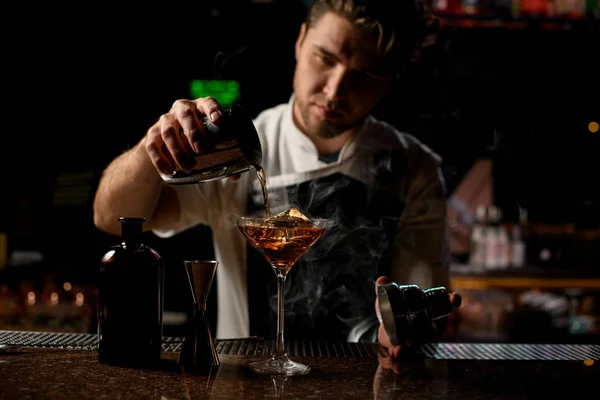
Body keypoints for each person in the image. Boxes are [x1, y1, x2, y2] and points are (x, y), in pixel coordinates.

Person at [93, 0, 461, 357]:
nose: (334, 90)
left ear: (392, 81)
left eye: (366, 75)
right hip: (240, 381)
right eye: (326, 58)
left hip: (363, 382)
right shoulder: (236, 148)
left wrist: (404, 321)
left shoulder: (414, 169)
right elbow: (111, 217)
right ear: (301, 41)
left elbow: (422, 302)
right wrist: (152, 146)